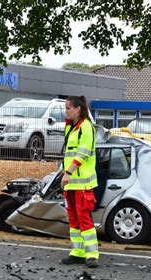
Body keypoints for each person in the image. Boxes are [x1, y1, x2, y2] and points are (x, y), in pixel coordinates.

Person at [60, 95, 99, 268]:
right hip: (71, 183)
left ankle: (92, 254)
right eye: (66, 107)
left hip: (82, 183)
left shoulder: (86, 128)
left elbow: (82, 154)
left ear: (78, 109)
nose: (66, 111)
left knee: (84, 218)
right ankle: (78, 252)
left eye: (68, 107)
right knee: (73, 219)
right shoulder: (71, 128)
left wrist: (67, 173)